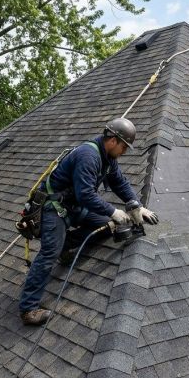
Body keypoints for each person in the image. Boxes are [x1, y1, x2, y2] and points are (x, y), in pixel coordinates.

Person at [19, 118, 159, 325]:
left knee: (106, 225)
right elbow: (85, 194)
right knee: (50, 252)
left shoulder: (108, 159)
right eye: (124, 147)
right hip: (53, 209)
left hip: (73, 207)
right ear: (113, 140)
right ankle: (28, 309)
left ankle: (66, 244)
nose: (125, 152)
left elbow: (119, 182)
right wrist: (113, 210)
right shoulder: (89, 156)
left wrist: (135, 205)